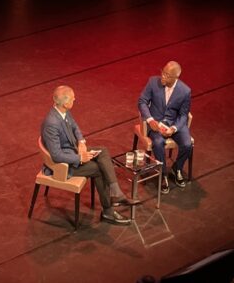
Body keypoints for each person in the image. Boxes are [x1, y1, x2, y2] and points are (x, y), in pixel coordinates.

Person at [41, 85, 136, 225]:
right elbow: (56, 156)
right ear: (66, 103)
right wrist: (80, 158)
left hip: (72, 150)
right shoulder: (52, 123)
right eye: (73, 98)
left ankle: (116, 192)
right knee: (99, 169)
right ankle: (108, 211)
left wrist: (81, 142)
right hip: (63, 166)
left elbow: (74, 126)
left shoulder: (62, 111)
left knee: (103, 151)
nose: (75, 99)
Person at [138, 60, 193, 193]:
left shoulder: (185, 91)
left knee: (187, 144)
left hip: (174, 123)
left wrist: (174, 128)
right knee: (158, 142)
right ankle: (163, 175)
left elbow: (184, 115)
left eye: (167, 75)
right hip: (156, 123)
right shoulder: (153, 82)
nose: (163, 76)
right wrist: (150, 120)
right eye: (163, 72)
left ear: (176, 77)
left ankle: (177, 168)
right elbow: (142, 101)